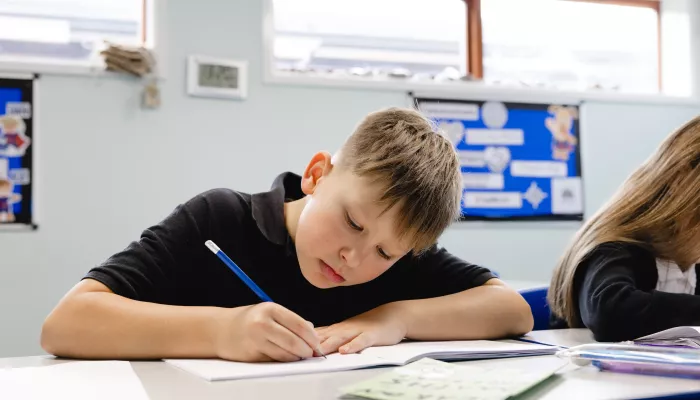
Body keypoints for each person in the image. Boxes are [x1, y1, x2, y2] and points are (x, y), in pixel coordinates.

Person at [41, 107, 533, 362]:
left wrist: (395, 317)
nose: (354, 257)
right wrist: (220, 331)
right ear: (317, 174)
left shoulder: (400, 258)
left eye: (384, 251)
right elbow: (65, 324)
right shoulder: (219, 220)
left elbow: (511, 309)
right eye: (353, 222)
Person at [549, 115, 700, 341]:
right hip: (585, 373)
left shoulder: (692, 257)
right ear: (682, 181)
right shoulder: (618, 244)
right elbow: (609, 311)